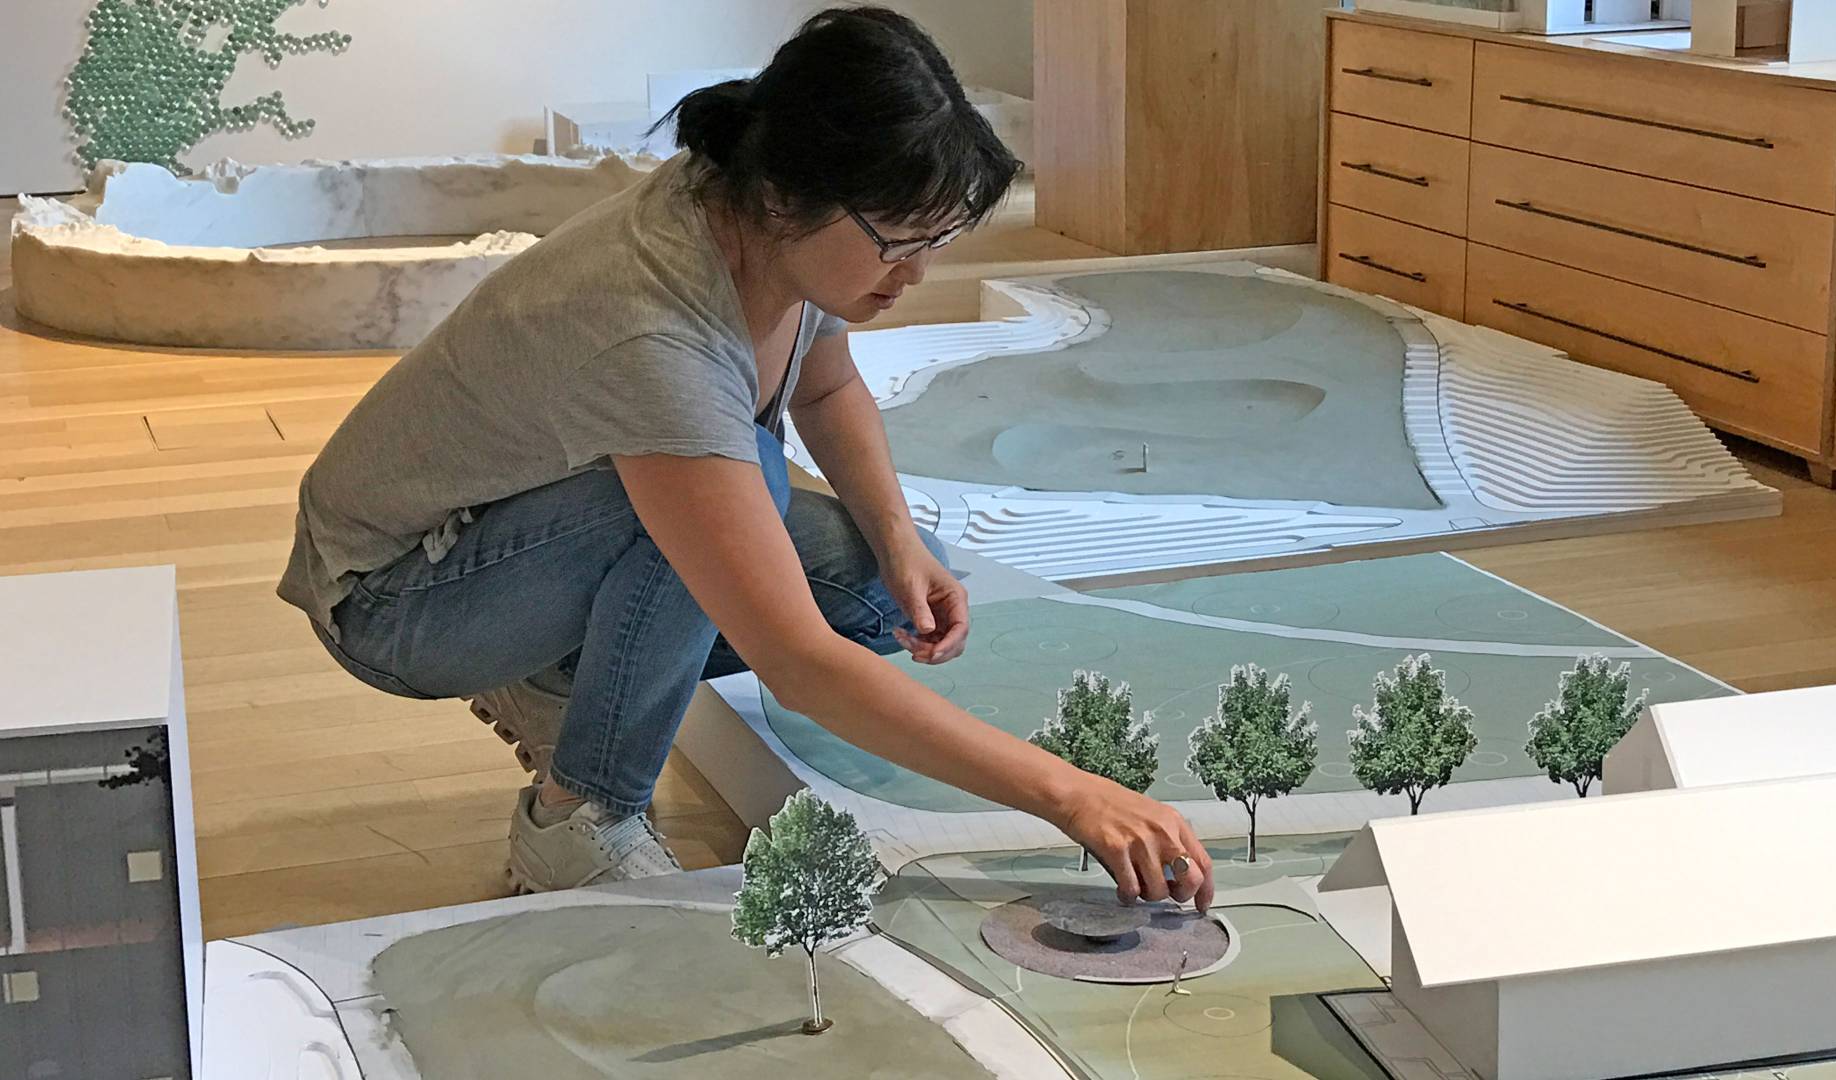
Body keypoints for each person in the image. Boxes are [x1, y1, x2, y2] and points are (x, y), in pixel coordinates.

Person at [276, 7, 1214, 910]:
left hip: (522, 529)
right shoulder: (656, 329)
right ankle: (577, 817)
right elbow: (796, 662)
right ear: (783, 196)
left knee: (875, 592)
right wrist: (1073, 796)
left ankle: (556, 671)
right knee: (733, 491)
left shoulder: (763, 229)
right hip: (398, 596)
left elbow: (826, 389)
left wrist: (901, 542)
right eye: (898, 239)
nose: (916, 273)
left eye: (937, 239)